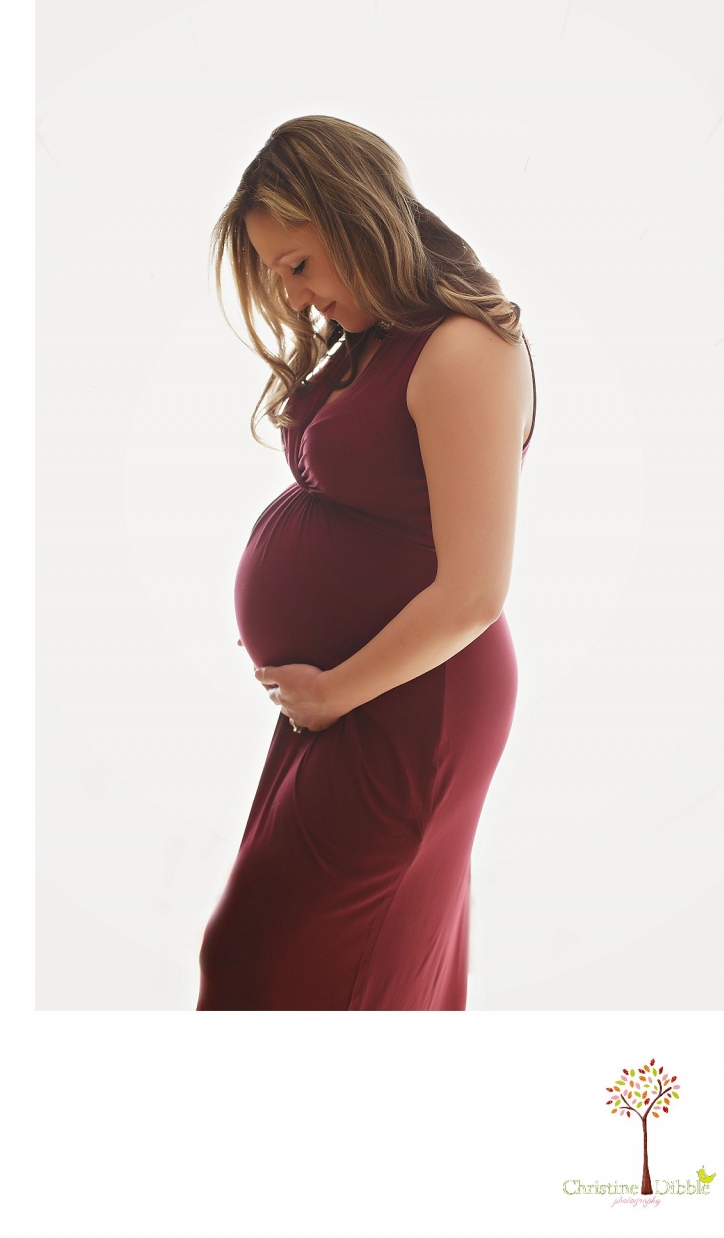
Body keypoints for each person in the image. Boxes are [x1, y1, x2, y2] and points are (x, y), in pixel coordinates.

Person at [196, 114, 537, 1010]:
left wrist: (335, 692)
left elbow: (473, 590)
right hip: (348, 697)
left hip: (412, 703)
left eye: (301, 264)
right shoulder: (374, 341)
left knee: (270, 959)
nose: (298, 299)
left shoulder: (464, 345)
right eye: (279, 277)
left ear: (356, 217)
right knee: (308, 969)